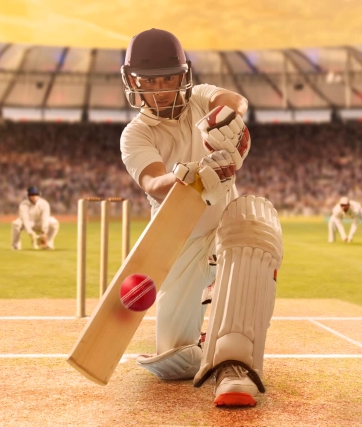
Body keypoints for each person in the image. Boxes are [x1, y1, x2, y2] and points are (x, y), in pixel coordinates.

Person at [119, 28, 283, 407]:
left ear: (184, 75)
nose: (160, 89)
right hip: (180, 235)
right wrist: (192, 174)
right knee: (174, 357)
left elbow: (234, 100)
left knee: (252, 239)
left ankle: (233, 363)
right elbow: (154, 182)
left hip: (227, 223)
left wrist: (229, 120)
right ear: (133, 83)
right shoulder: (136, 134)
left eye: (169, 79)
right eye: (150, 82)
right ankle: (208, 340)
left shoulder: (200, 97)